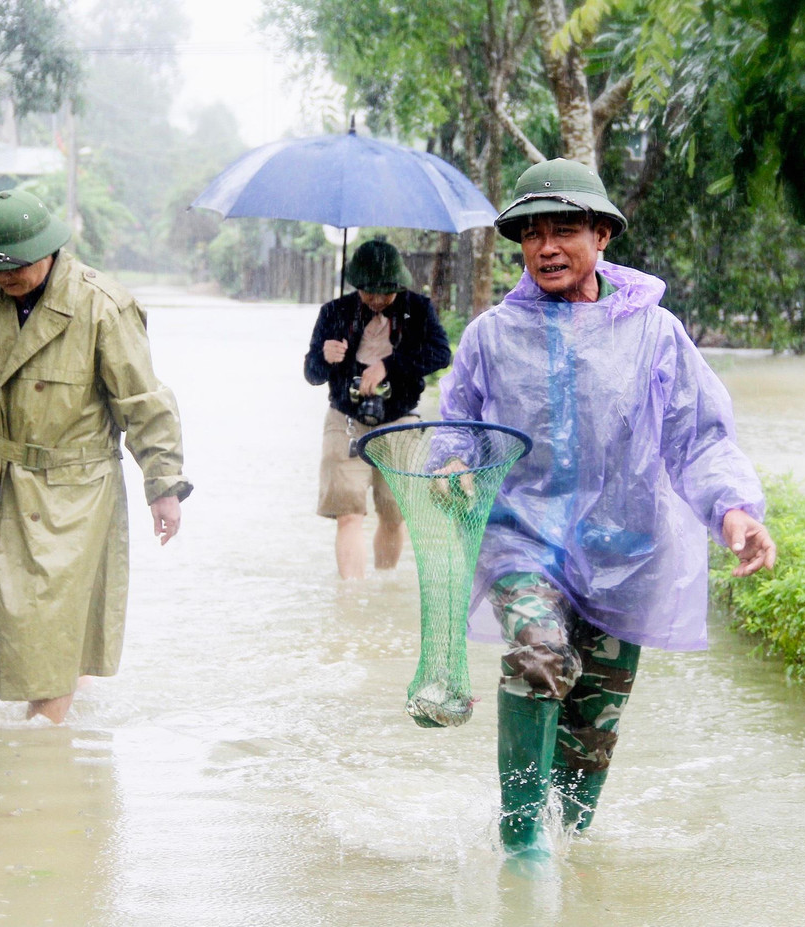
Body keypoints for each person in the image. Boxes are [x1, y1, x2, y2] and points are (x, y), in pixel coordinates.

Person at [434, 159, 776, 862]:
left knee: (591, 734)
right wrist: (452, 467)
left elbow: (699, 435)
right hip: (522, 540)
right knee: (539, 654)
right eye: (532, 234)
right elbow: (458, 426)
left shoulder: (654, 334)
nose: (547, 247)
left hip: (624, 551)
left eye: (565, 230)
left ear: (602, 237)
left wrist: (734, 509)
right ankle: (521, 844)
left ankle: (569, 843)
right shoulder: (491, 336)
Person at [0, 189, 192, 724]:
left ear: (47, 250)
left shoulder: (102, 306)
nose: (4, 280)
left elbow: (142, 402)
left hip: (76, 493)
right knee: (20, 632)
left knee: (46, 635)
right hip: (1, 488)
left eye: (15, 268)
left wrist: (163, 486)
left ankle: (39, 764)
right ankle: (59, 749)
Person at [304, 239, 452, 579]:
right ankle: (352, 598)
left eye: (386, 293)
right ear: (357, 286)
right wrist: (323, 358)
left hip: (399, 420)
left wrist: (389, 365)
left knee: (393, 512)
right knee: (349, 513)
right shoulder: (333, 313)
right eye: (369, 292)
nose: (377, 300)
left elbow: (441, 355)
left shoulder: (419, 309)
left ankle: (385, 584)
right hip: (346, 420)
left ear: (400, 285)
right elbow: (312, 375)